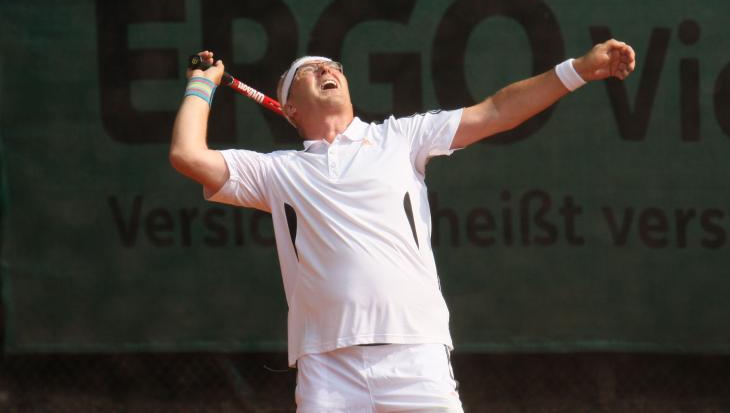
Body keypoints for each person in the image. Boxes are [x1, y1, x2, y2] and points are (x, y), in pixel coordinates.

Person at [169, 40, 636, 412]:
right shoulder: (277, 172)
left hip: (415, 353)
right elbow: (187, 155)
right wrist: (201, 83)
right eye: (308, 70)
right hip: (327, 367)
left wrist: (578, 70)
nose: (326, 70)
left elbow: (496, 111)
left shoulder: (400, 138)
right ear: (289, 108)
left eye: (333, 67)